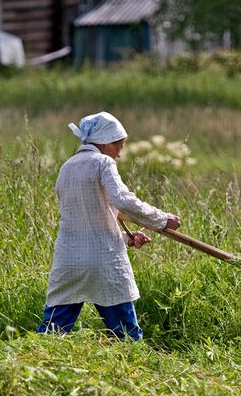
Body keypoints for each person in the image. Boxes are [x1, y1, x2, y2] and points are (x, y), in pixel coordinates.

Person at [37, 111, 181, 340]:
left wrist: (125, 238)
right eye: (119, 146)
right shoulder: (103, 162)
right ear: (105, 142)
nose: (120, 155)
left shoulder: (67, 167)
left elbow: (88, 217)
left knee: (52, 332)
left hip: (69, 261)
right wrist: (162, 219)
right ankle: (133, 370)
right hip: (103, 260)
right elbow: (122, 200)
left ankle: (34, 364)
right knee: (126, 335)